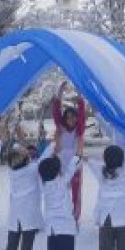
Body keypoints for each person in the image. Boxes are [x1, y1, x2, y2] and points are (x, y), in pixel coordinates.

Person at [0, 142, 55, 250]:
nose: (27, 153)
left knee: (11, 247)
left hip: (15, 217)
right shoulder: (33, 169)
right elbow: (46, 154)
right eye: (25, 153)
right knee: (26, 249)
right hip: (28, 217)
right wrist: (55, 140)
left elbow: (16, 149)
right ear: (24, 159)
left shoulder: (12, 171)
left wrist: (21, 147)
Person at [38, 154, 82, 250]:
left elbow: (42, 167)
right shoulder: (62, 182)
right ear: (57, 172)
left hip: (52, 227)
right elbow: (71, 169)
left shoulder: (44, 185)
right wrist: (76, 157)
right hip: (66, 227)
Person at [53, 82, 86, 221]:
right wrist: (60, 92)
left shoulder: (79, 129)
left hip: (74, 163)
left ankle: (75, 216)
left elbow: (82, 111)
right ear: (64, 118)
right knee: (59, 189)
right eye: (68, 117)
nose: (71, 120)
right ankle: (60, 212)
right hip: (60, 162)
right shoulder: (60, 127)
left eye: (74, 117)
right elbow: (56, 110)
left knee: (75, 190)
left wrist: (79, 92)